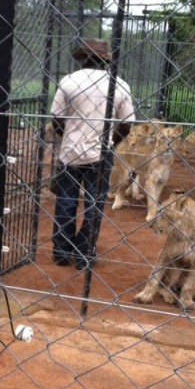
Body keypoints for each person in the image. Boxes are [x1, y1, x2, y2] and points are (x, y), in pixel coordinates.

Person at [50, 38, 135, 269]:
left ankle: (61, 250)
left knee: (66, 201)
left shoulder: (69, 81)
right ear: (104, 61)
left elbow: (56, 119)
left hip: (70, 152)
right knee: (94, 204)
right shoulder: (119, 84)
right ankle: (84, 252)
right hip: (101, 152)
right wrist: (110, 143)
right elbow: (126, 125)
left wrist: (70, 136)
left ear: (85, 59)